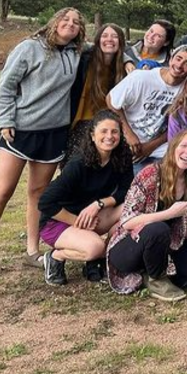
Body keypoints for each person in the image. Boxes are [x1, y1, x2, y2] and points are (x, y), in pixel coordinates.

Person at [0, 8, 86, 280]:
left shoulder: (76, 52)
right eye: (65, 19)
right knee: (3, 190)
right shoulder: (29, 48)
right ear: (55, 22)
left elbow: (113, 45)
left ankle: (32, 251)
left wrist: (132, 61)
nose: (70, 24)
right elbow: (6, 86)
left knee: (37, 192)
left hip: (54, 133)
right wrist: (5, 121)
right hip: (20, 130)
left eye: (76, 22)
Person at [106, 130, 187, 301]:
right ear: (172, 148)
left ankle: (156, 275)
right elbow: (127, 221)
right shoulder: (150, 174)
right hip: (130, 247)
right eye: (183, 146)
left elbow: (175, 228)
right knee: (158, 228)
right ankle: (156, 278)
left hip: (165, 247)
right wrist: (168, 213)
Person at [38, 110, 133, 285]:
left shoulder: (121, 157)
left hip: (89, 215)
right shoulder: (78, 164)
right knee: (95, 247)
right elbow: (45, 202)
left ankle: (101, 260)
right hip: (58, 221)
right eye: (103, 131)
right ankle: (55, 256)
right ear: (92, 135)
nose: (109, 136)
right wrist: (77, 222)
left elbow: (126, 191)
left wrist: (99, 204)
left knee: (130, 209)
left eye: (114, 131)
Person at [107, 44, 187, 172]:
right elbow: (111, 100)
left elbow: (177, 125)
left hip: (160, 148)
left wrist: (150, 147)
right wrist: (129, 135)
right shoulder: (141, 77)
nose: (179, 65)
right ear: (171, 58)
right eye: (178, 59)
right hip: (130, 142)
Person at [66, 22, 128, 165]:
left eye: (114, 36)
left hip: (105, 126)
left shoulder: (122, 69)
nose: (109, 39)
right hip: (78, 124)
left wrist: (128, 60)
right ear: (98, 39)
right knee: (74, 169)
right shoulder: (85, 59)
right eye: (105, 36)